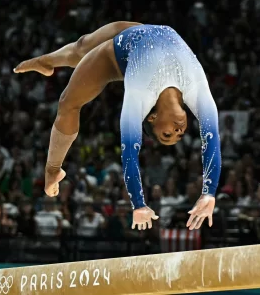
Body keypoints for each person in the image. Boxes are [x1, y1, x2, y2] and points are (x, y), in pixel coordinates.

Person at [14, 22, 221, 231]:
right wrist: (209, 193)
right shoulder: (197, 91)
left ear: (152, 118)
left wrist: (139, 205)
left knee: (68, 103)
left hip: (114, 57)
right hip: (140, 33)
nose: (178, 131)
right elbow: (212, 139)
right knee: (81, 47)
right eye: (179, 135)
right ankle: (45, 61)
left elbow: (130, 151)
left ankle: (52, 169)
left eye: (167, 134)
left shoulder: (140, 93)